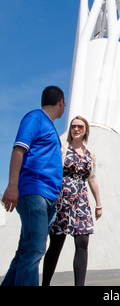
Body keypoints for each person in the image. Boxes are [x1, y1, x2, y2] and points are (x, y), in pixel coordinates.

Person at [1, 86, 65, 286]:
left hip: (48, 197)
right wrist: (12, 185)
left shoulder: (50, 127)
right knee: (35, 250)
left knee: (26, 251)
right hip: (34, 192)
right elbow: (19, 149)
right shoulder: (35, 118)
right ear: (61, 102)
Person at [42, 116, 102, 286]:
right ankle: (45, 283)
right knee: (56, 243)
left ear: (85, 131)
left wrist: (99, 203)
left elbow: (92, 178)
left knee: (83, 241)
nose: (76, 129)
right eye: (73, 126)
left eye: (80, 127)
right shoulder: (62, 149)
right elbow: (51, 170)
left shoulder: (90, 154)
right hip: (62, 198)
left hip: (81, 200)